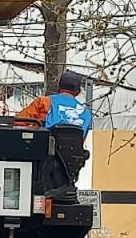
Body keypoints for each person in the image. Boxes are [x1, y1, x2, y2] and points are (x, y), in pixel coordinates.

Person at [15, 71, 92, 200]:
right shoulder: (86, 114)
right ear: (78, 91)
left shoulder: (44, 103)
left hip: (41, 166)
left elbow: (18, 124)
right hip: (68, 172)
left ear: (58, 87)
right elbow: (78, 144)